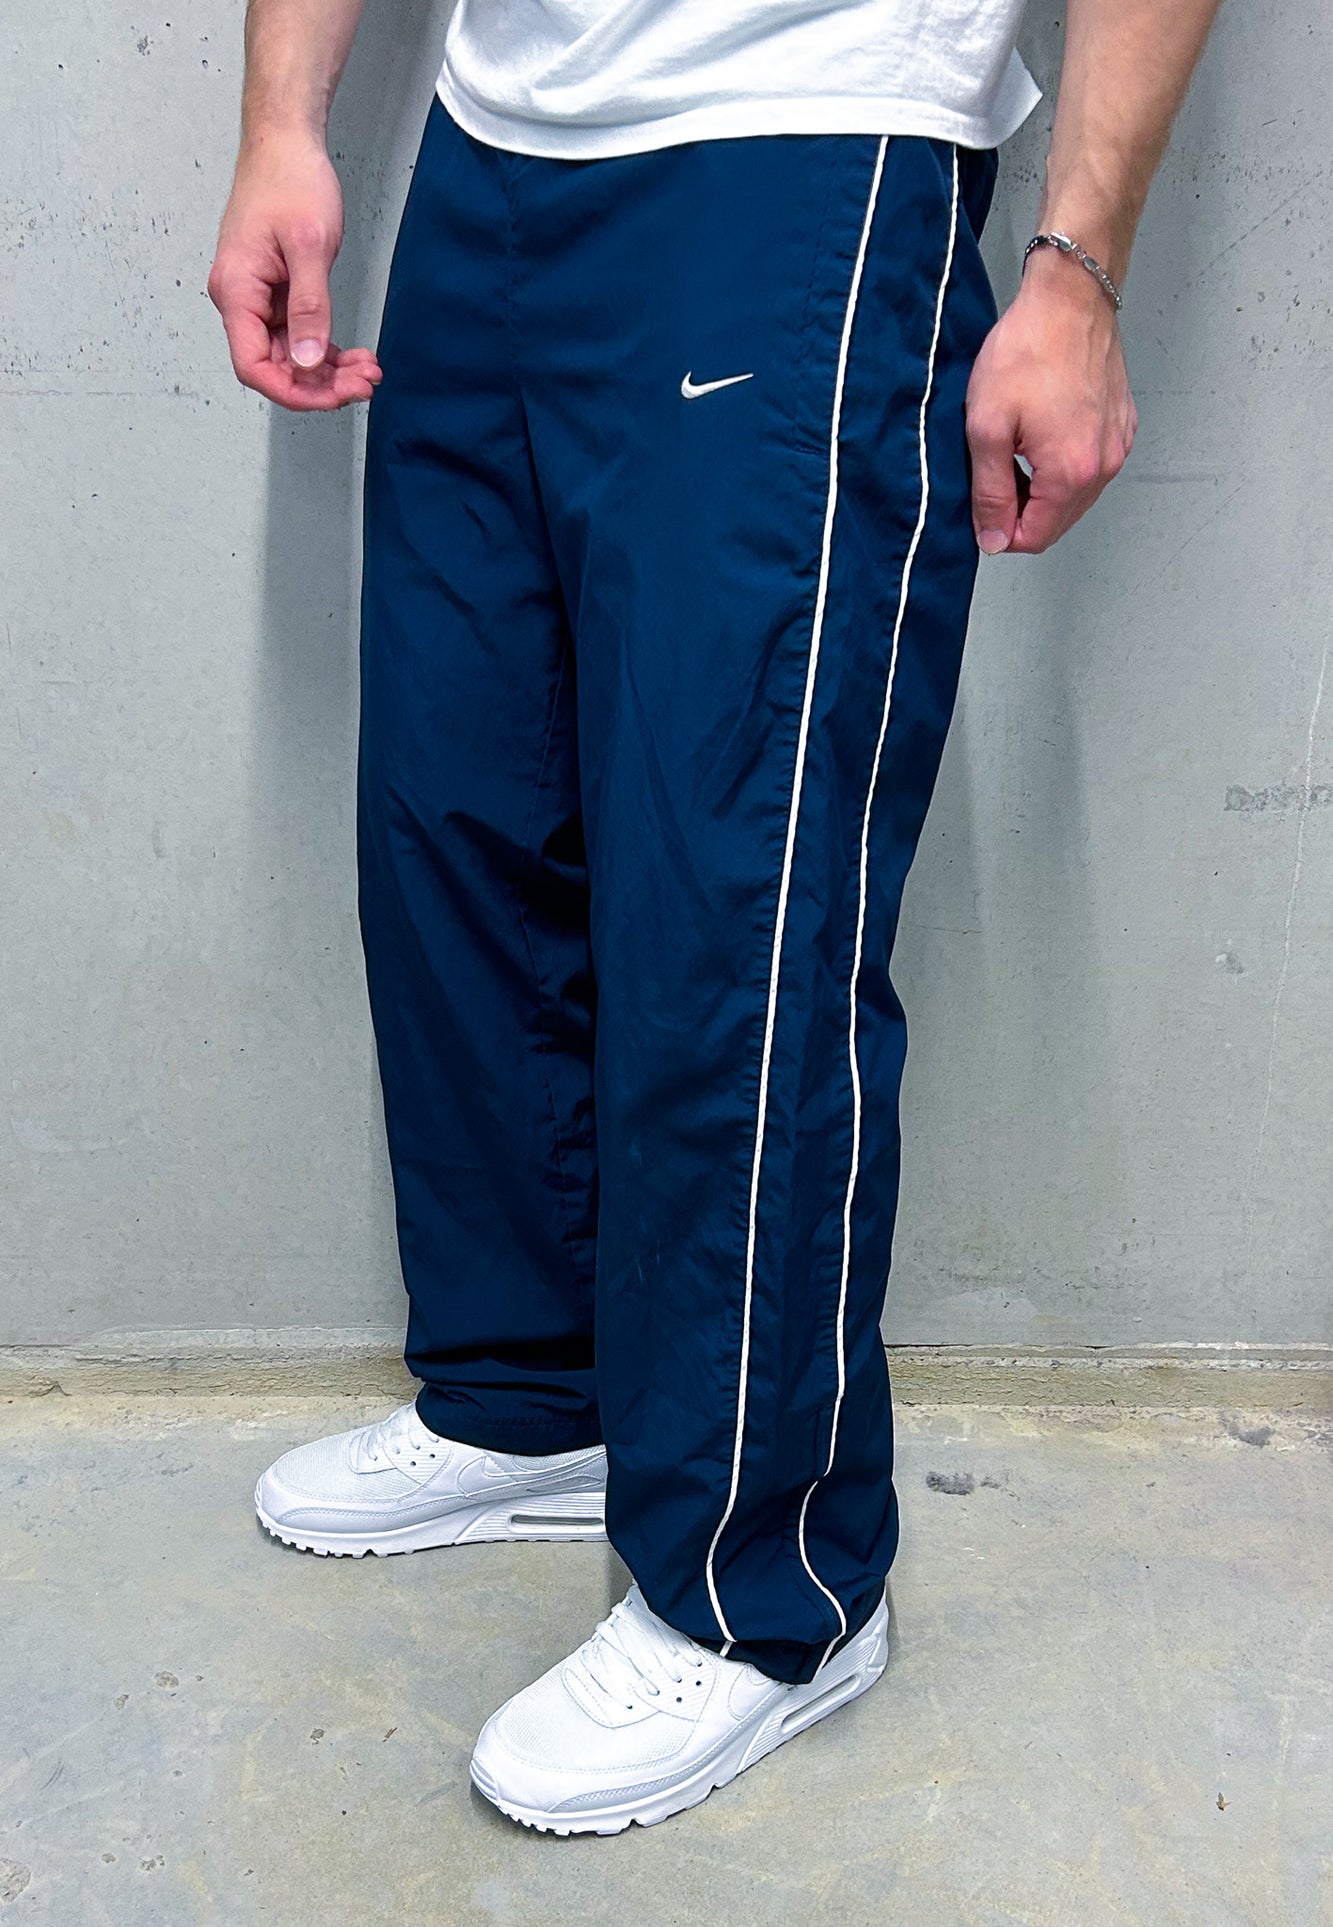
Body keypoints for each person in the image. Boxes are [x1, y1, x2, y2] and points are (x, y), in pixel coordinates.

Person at [209, 0, 1221, 1835]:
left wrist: (1072, 269)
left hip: (805, 151)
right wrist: (285, 118)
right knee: (460, 819)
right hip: (492, 151)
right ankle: (530, 1395)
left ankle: (773, 1589)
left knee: (733, 894)